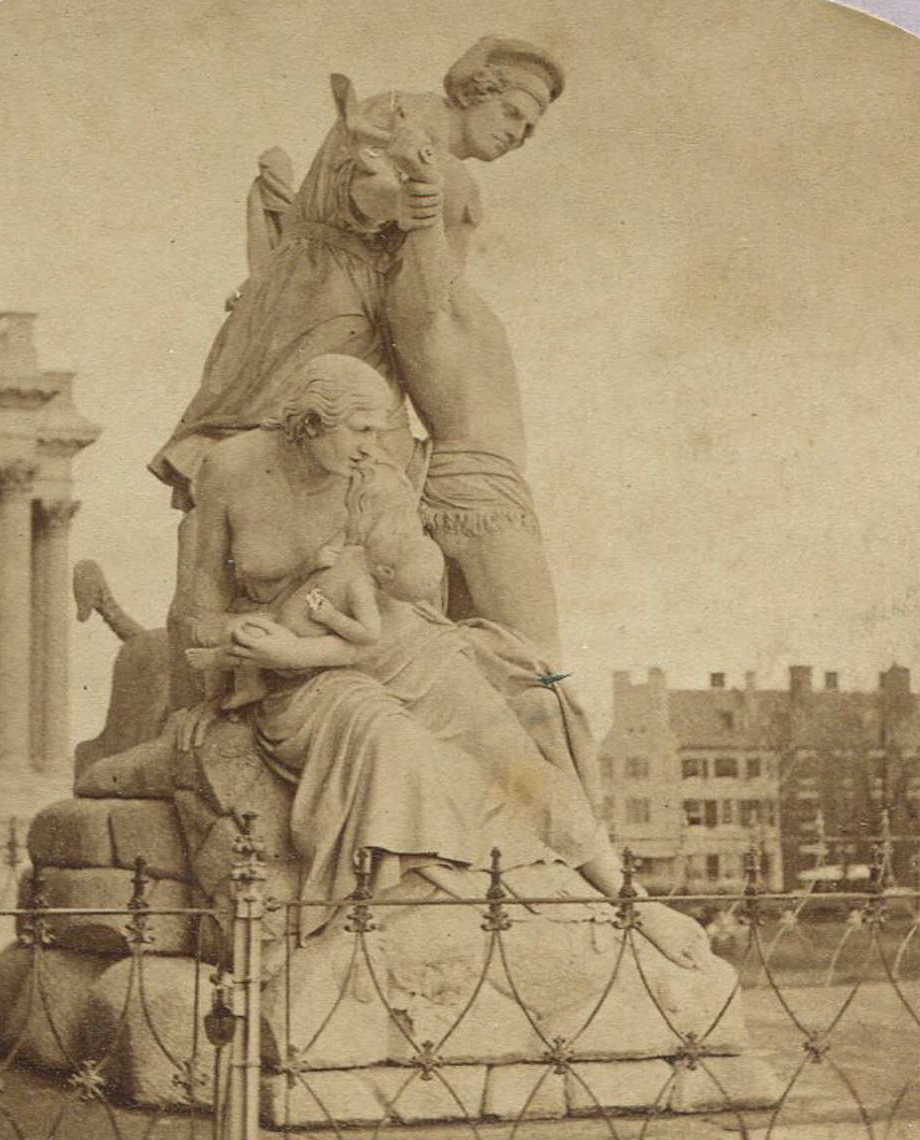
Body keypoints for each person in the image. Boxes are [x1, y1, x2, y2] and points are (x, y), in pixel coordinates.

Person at [176, 354, 710, 969]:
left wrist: (390, 541)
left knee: (517, 759)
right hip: (305, 672)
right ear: (313, 421)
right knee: (382, 736)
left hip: (403, 648)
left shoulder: (375, 480)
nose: (372, 445)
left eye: (379, 430)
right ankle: (371, 912)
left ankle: (632, 904)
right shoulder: (232, 468)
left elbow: (408, 575)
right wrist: (219, 674)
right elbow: (200, 602)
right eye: (360, 429)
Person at [151, 37, 569, 708]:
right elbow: (373, 205)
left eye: (530, 128)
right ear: (476, 92)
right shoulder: (410, 124)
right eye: (514, 113)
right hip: (328, 319)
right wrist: (415, 206)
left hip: (327, 311)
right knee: (334, 471)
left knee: (344, 480)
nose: (518, 134)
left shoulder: (424, 149)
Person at [184, 521, 446, 708]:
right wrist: (317, 560)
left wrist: (331, 617)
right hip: (282, 620)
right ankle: (250, 684)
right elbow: (334, 546)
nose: (394, 533)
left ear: (386, 571)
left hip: (297, 640)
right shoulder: (354, 552)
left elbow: (369, 634)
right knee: (243, 626)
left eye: (398, 540)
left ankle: (223, 661)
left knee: (248, 636)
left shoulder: (361, 589)